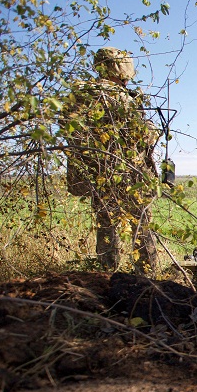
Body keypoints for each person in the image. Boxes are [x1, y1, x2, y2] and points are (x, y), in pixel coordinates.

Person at [60, 47, 159, 273]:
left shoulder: (79, 95)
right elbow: (140, 135)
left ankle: (106, 275)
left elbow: (69, 131)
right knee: (141, 225)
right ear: (121, 69)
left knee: (106, 224)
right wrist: (153, 130)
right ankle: (147, 278)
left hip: (98, 175)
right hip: (129, 174)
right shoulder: (119, 96)